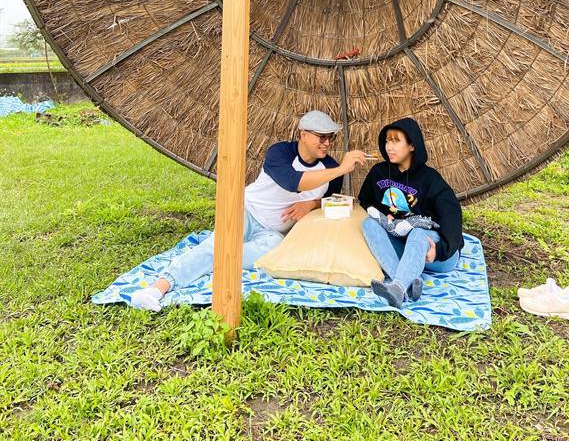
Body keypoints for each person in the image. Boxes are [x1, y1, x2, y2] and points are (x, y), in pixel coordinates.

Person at [131, 110, 366, 310]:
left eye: (331, 137)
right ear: (302, 135)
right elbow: (291, 182)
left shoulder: (331, 169)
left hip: (274, 233)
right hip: (246, 211)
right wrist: (342, 169)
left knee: (237, 256)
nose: (327, 143)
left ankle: (204, 263)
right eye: (321, 137)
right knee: (219, 247)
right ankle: (158, 287)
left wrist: (311, 204)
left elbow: (332, 201)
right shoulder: (281, 152)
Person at [358, 117, 463, 308]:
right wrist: (383, 215)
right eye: (387, 141)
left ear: (412, 146)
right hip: (405, 250)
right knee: (368, 223)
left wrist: (439, 251)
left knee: (418, 232)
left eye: (396, 141)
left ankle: (397, 285)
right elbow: (366, 199)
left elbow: (452, 215)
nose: (389, 147)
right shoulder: (379, 172)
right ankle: (404, 287)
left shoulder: (430, 179)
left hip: (434, 254)